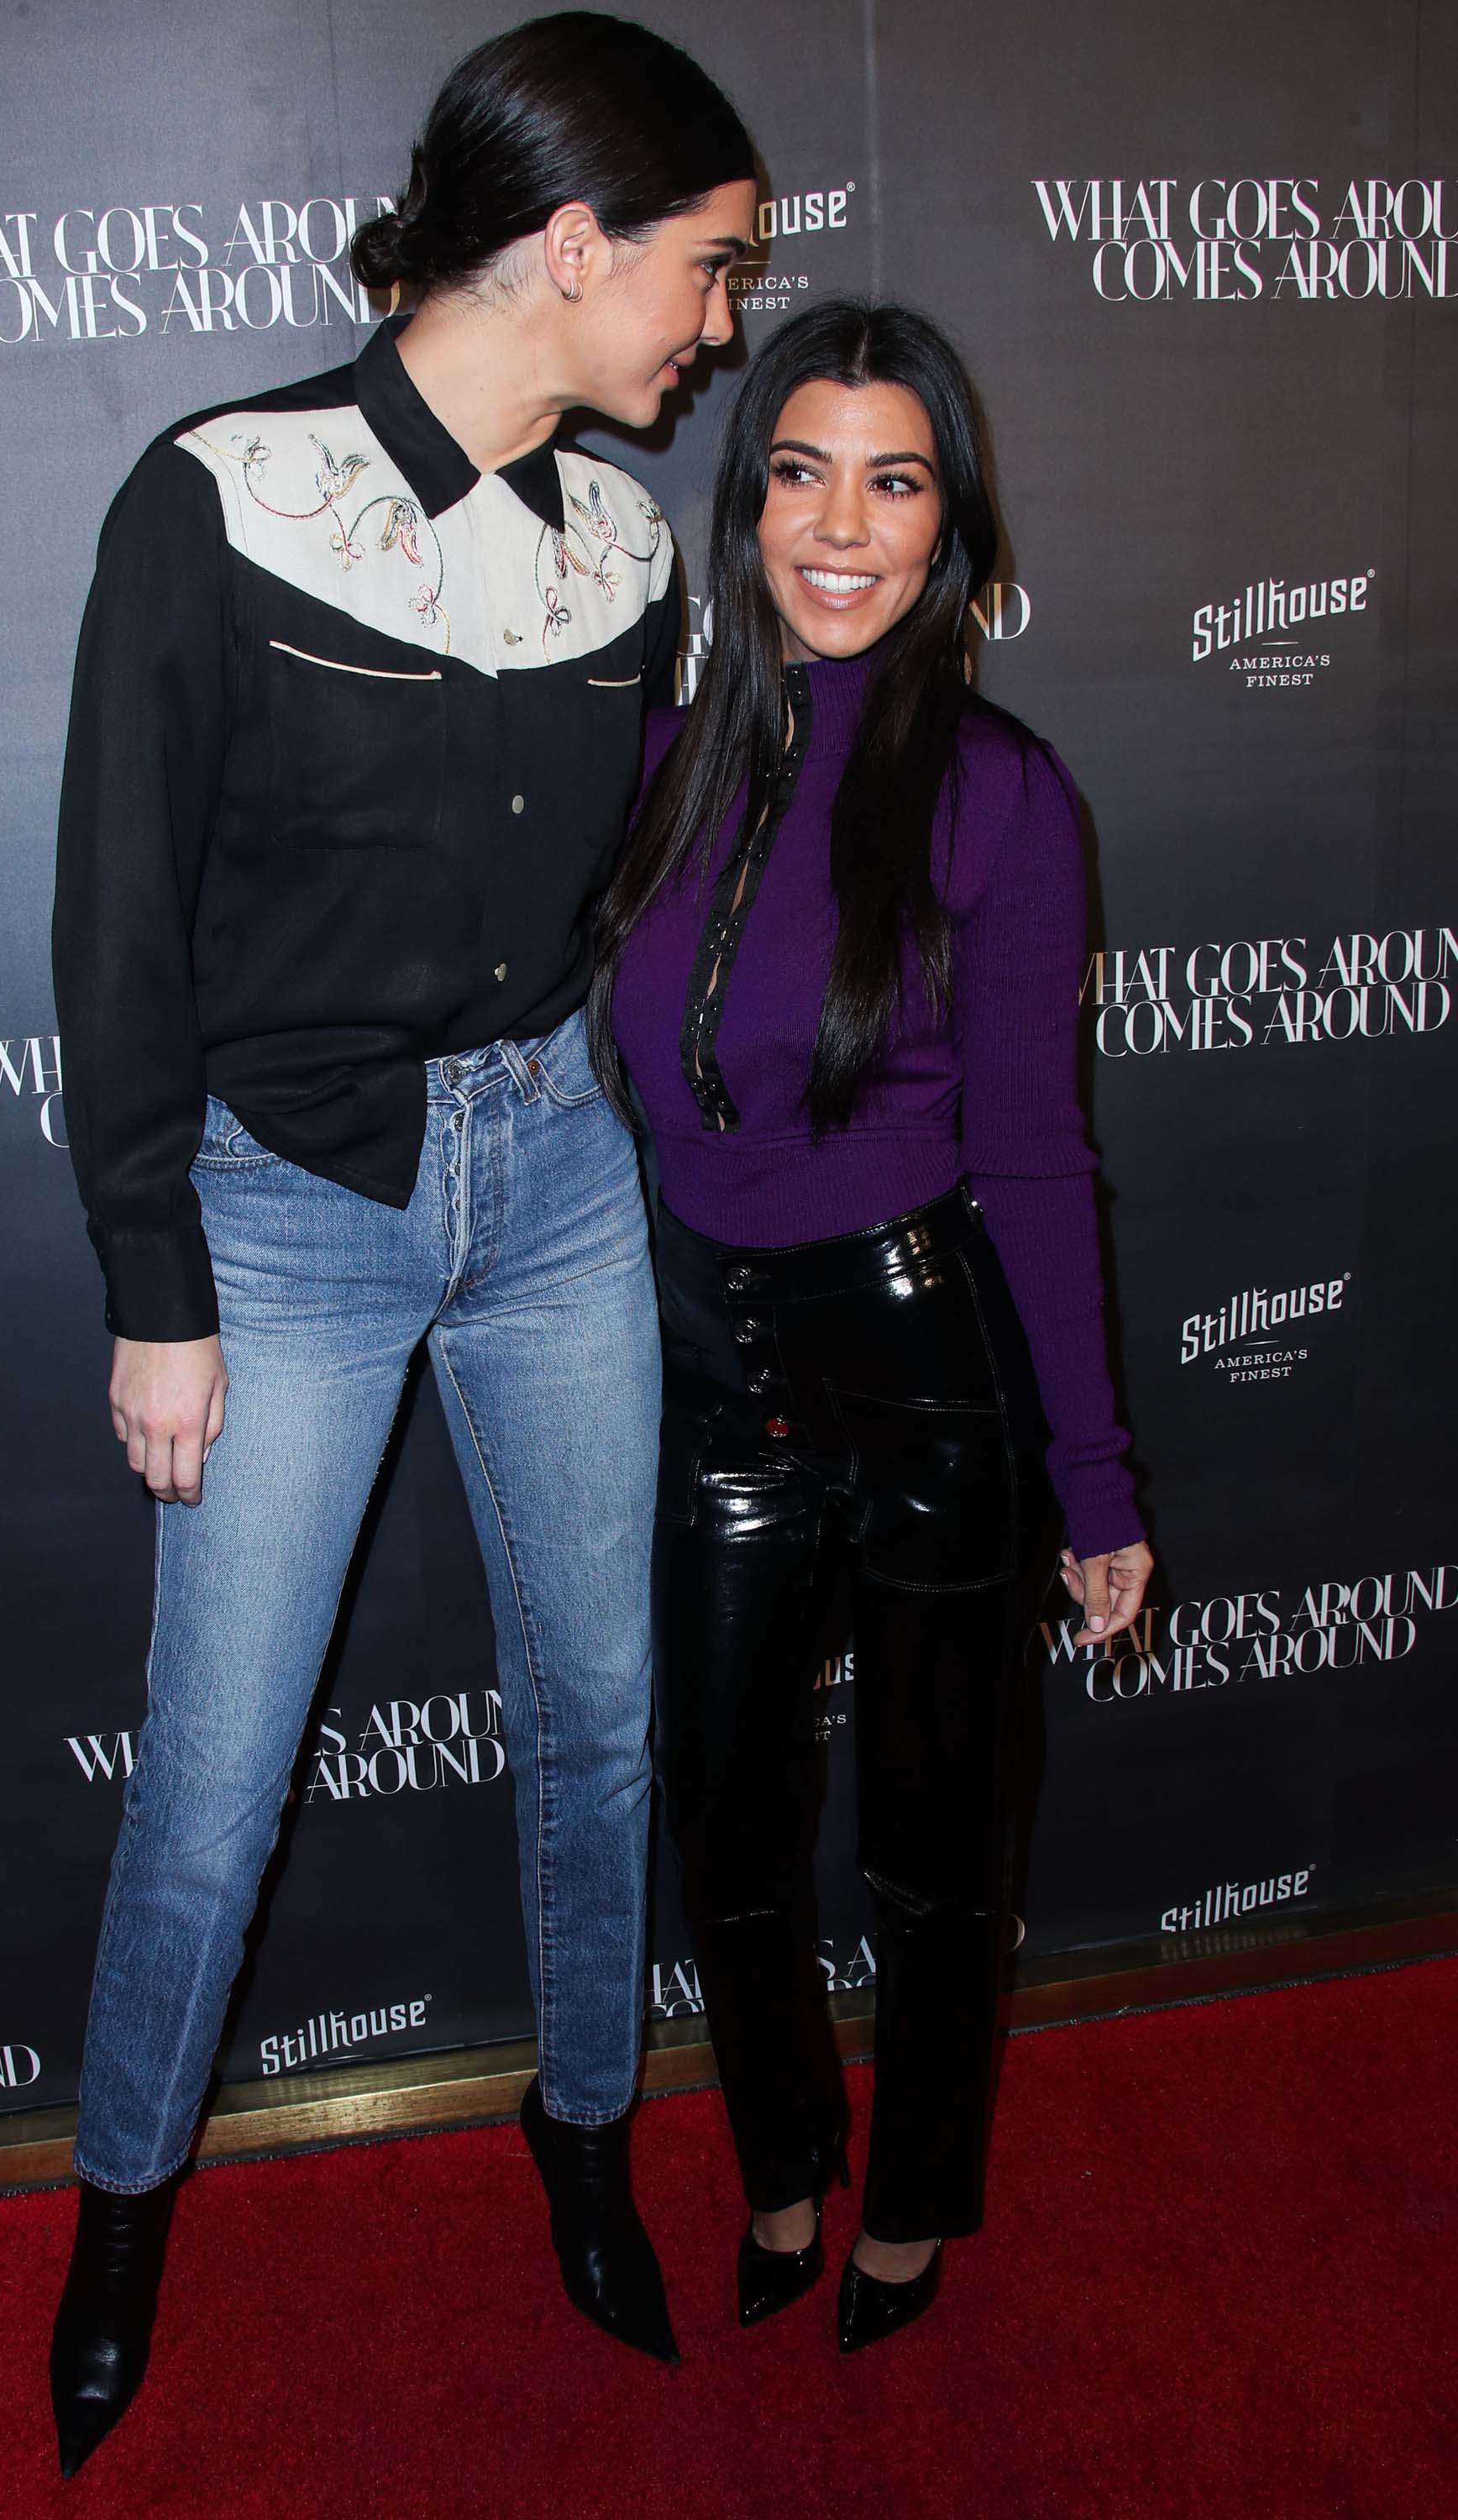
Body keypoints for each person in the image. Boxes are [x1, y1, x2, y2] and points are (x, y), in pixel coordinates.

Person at [47, 12, 755, 2474]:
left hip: (557, 1181)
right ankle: (118, 2217)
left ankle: (586, 2132)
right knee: (215, 1783)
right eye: (706, 265)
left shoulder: (631, 549)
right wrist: (155, 1281)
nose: (721, 322)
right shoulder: (222, 495)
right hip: (288, 1211)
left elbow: (635, 901)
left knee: (600, 1715)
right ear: (570, 243)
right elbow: (117, 923)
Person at [592, 298, 1153, 2355]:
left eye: (893, 482)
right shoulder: (656, 764)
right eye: (801, 474)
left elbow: (1038, 1157)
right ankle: (779, 2165)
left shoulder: (1002, 797)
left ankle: (907, 2213)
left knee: (935, 1860)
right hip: (717, 1382)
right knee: (726, 1836)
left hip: (928, 1388)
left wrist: (1094, 1478)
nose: (842, 527)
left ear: (949, 525)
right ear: (745, 511)